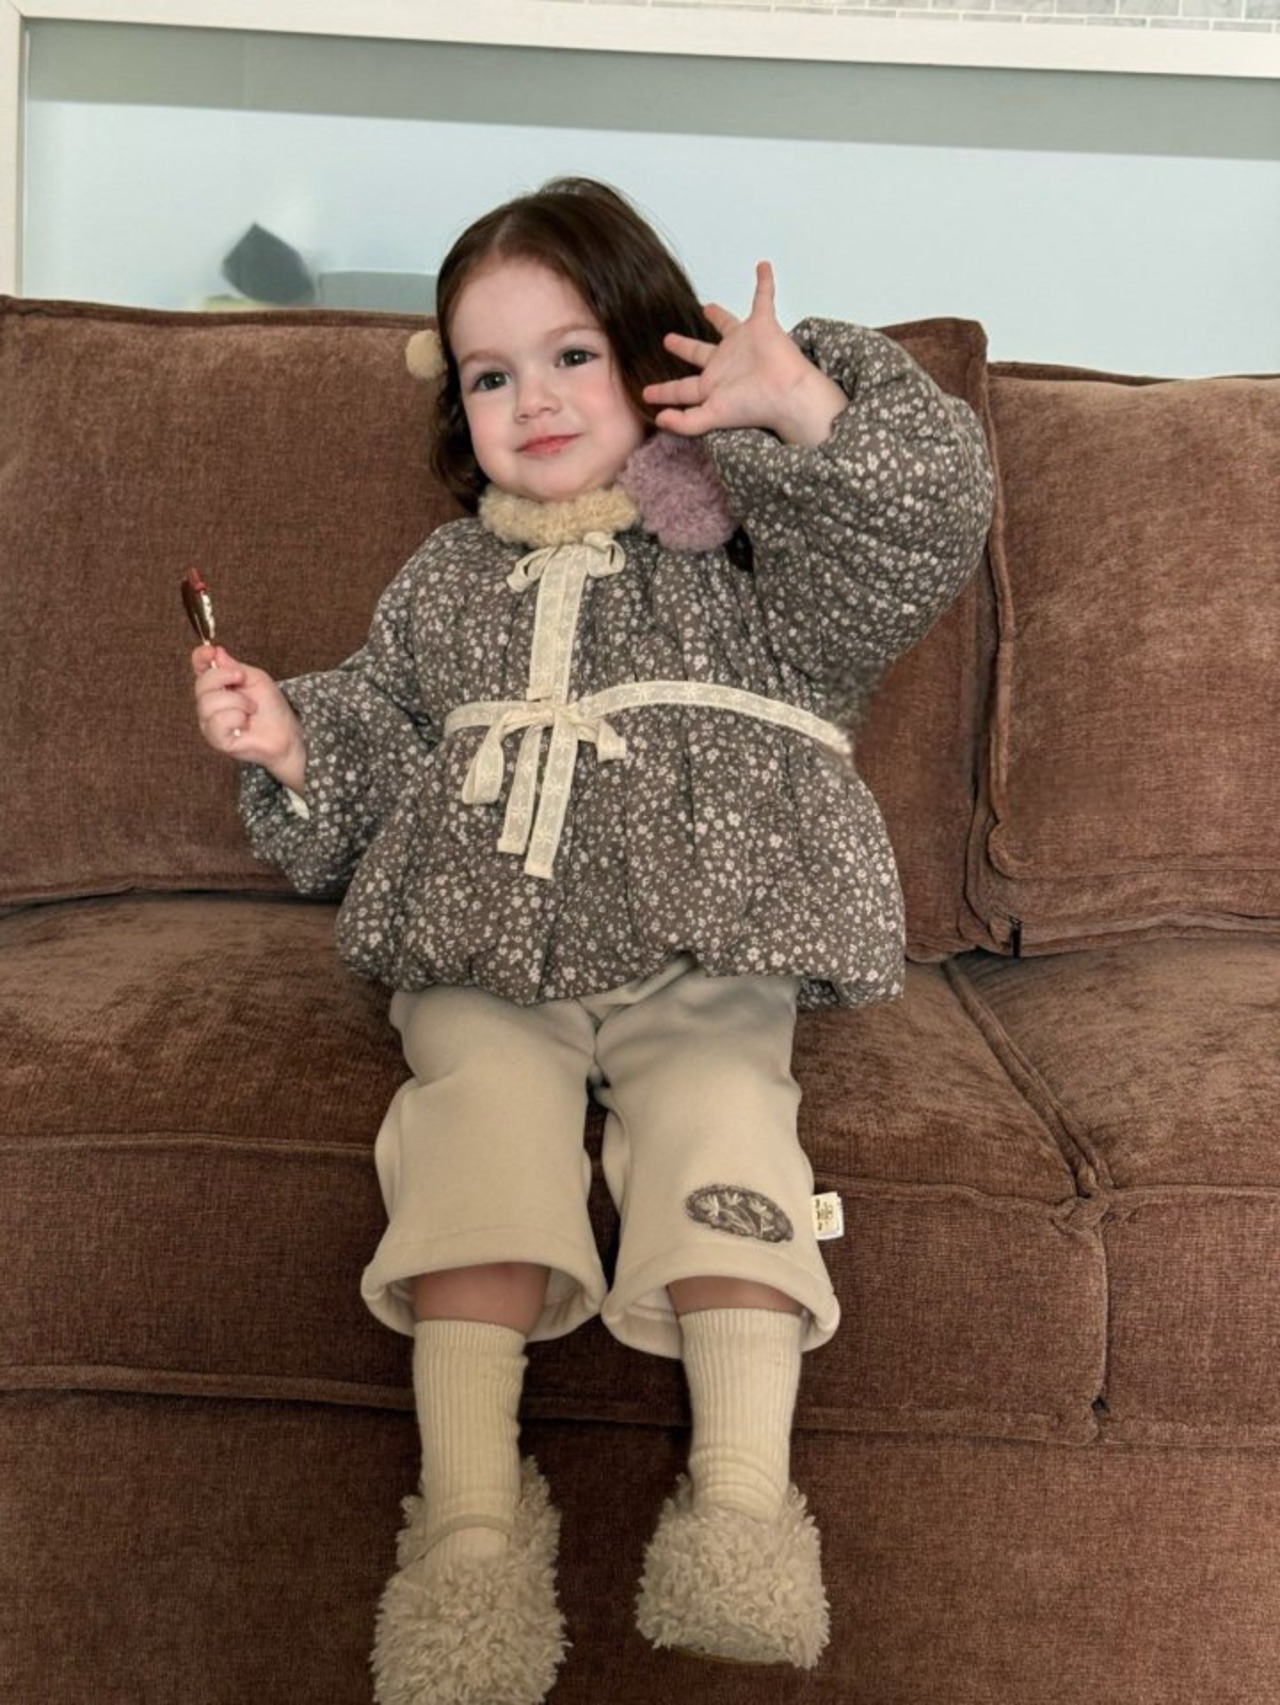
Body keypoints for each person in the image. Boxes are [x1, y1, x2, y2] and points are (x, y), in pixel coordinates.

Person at [191, 177, 993, 1705]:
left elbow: (919, 526)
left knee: (727, 1130)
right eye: (492, 375)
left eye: (572, 356)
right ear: (458, 405)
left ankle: (742, 1507)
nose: (535, 401)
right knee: (474, 1137)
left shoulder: (761, 558)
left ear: (650, 353)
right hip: (488, 942)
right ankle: (468, 1532)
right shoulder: (446, 586)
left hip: (712, 941)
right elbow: (379, 743)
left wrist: (801, 406)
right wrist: (288, 737)